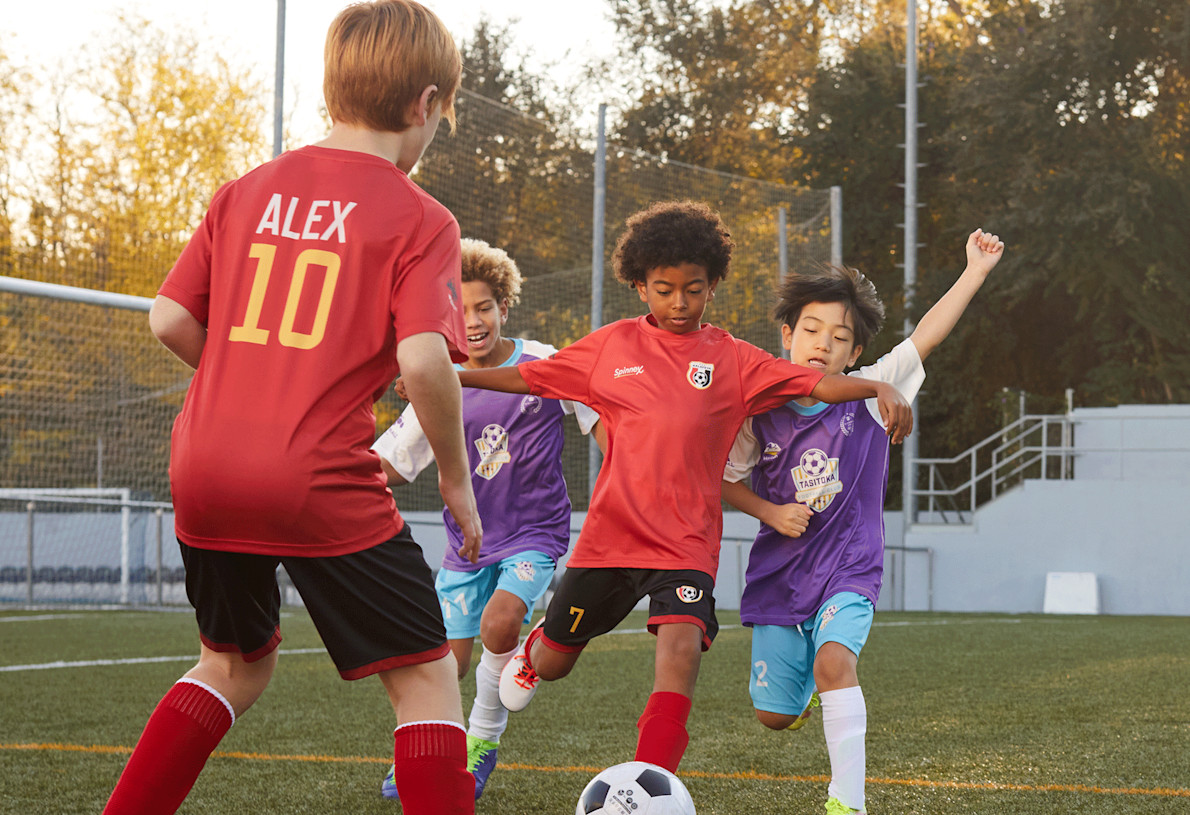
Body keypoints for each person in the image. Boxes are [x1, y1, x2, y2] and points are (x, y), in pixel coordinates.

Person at [102, 3, 482, 813]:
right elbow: (423, 360)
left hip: (202, 464)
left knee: (230, 665)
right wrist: (454, 476)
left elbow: (167, 318)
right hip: (312, 476)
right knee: (424, 675)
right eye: (439, 119)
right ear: (425, 103)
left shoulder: (245, 190)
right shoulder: (421, 218)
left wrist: (255, 378)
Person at [452, 200, 914, 774]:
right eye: (664, 289)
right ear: (640, 286)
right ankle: (536, 646)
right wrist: (452, 375)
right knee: (551, 666)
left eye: (693, 290)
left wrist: (877, 390)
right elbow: (529, 377)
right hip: (610, 543)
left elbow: (817, 383)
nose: (679, 303)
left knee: (680, 654)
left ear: (712, 286)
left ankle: (651, 785)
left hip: (686, 548)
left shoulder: (735, 361)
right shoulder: (609, 349)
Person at [721, 228, 1005, 815]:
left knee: (835, 664)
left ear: (855, 354)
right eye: (810, 331)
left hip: (849, 567)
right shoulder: (759, 409)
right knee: (773, 717)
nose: (822, 345)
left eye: (839, 338)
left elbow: (925, 336)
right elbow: (722, 480)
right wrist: (770, 510)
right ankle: (794, 700)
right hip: (780, 571)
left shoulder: (875, 390)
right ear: (786, 336)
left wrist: (974, 271)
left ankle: (846, 803)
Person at [373, 238, 601, 800]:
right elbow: (394, 462)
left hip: (534, 534)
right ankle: (427, 754)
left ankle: (482, 743)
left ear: (505, 307)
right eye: (459, 310)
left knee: (501, 622)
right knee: (444, 666)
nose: (472, 321)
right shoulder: (436, 376)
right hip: (466, 546)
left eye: (483, 307)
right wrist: (330, 474)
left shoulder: (544, 364)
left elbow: (601, 417)